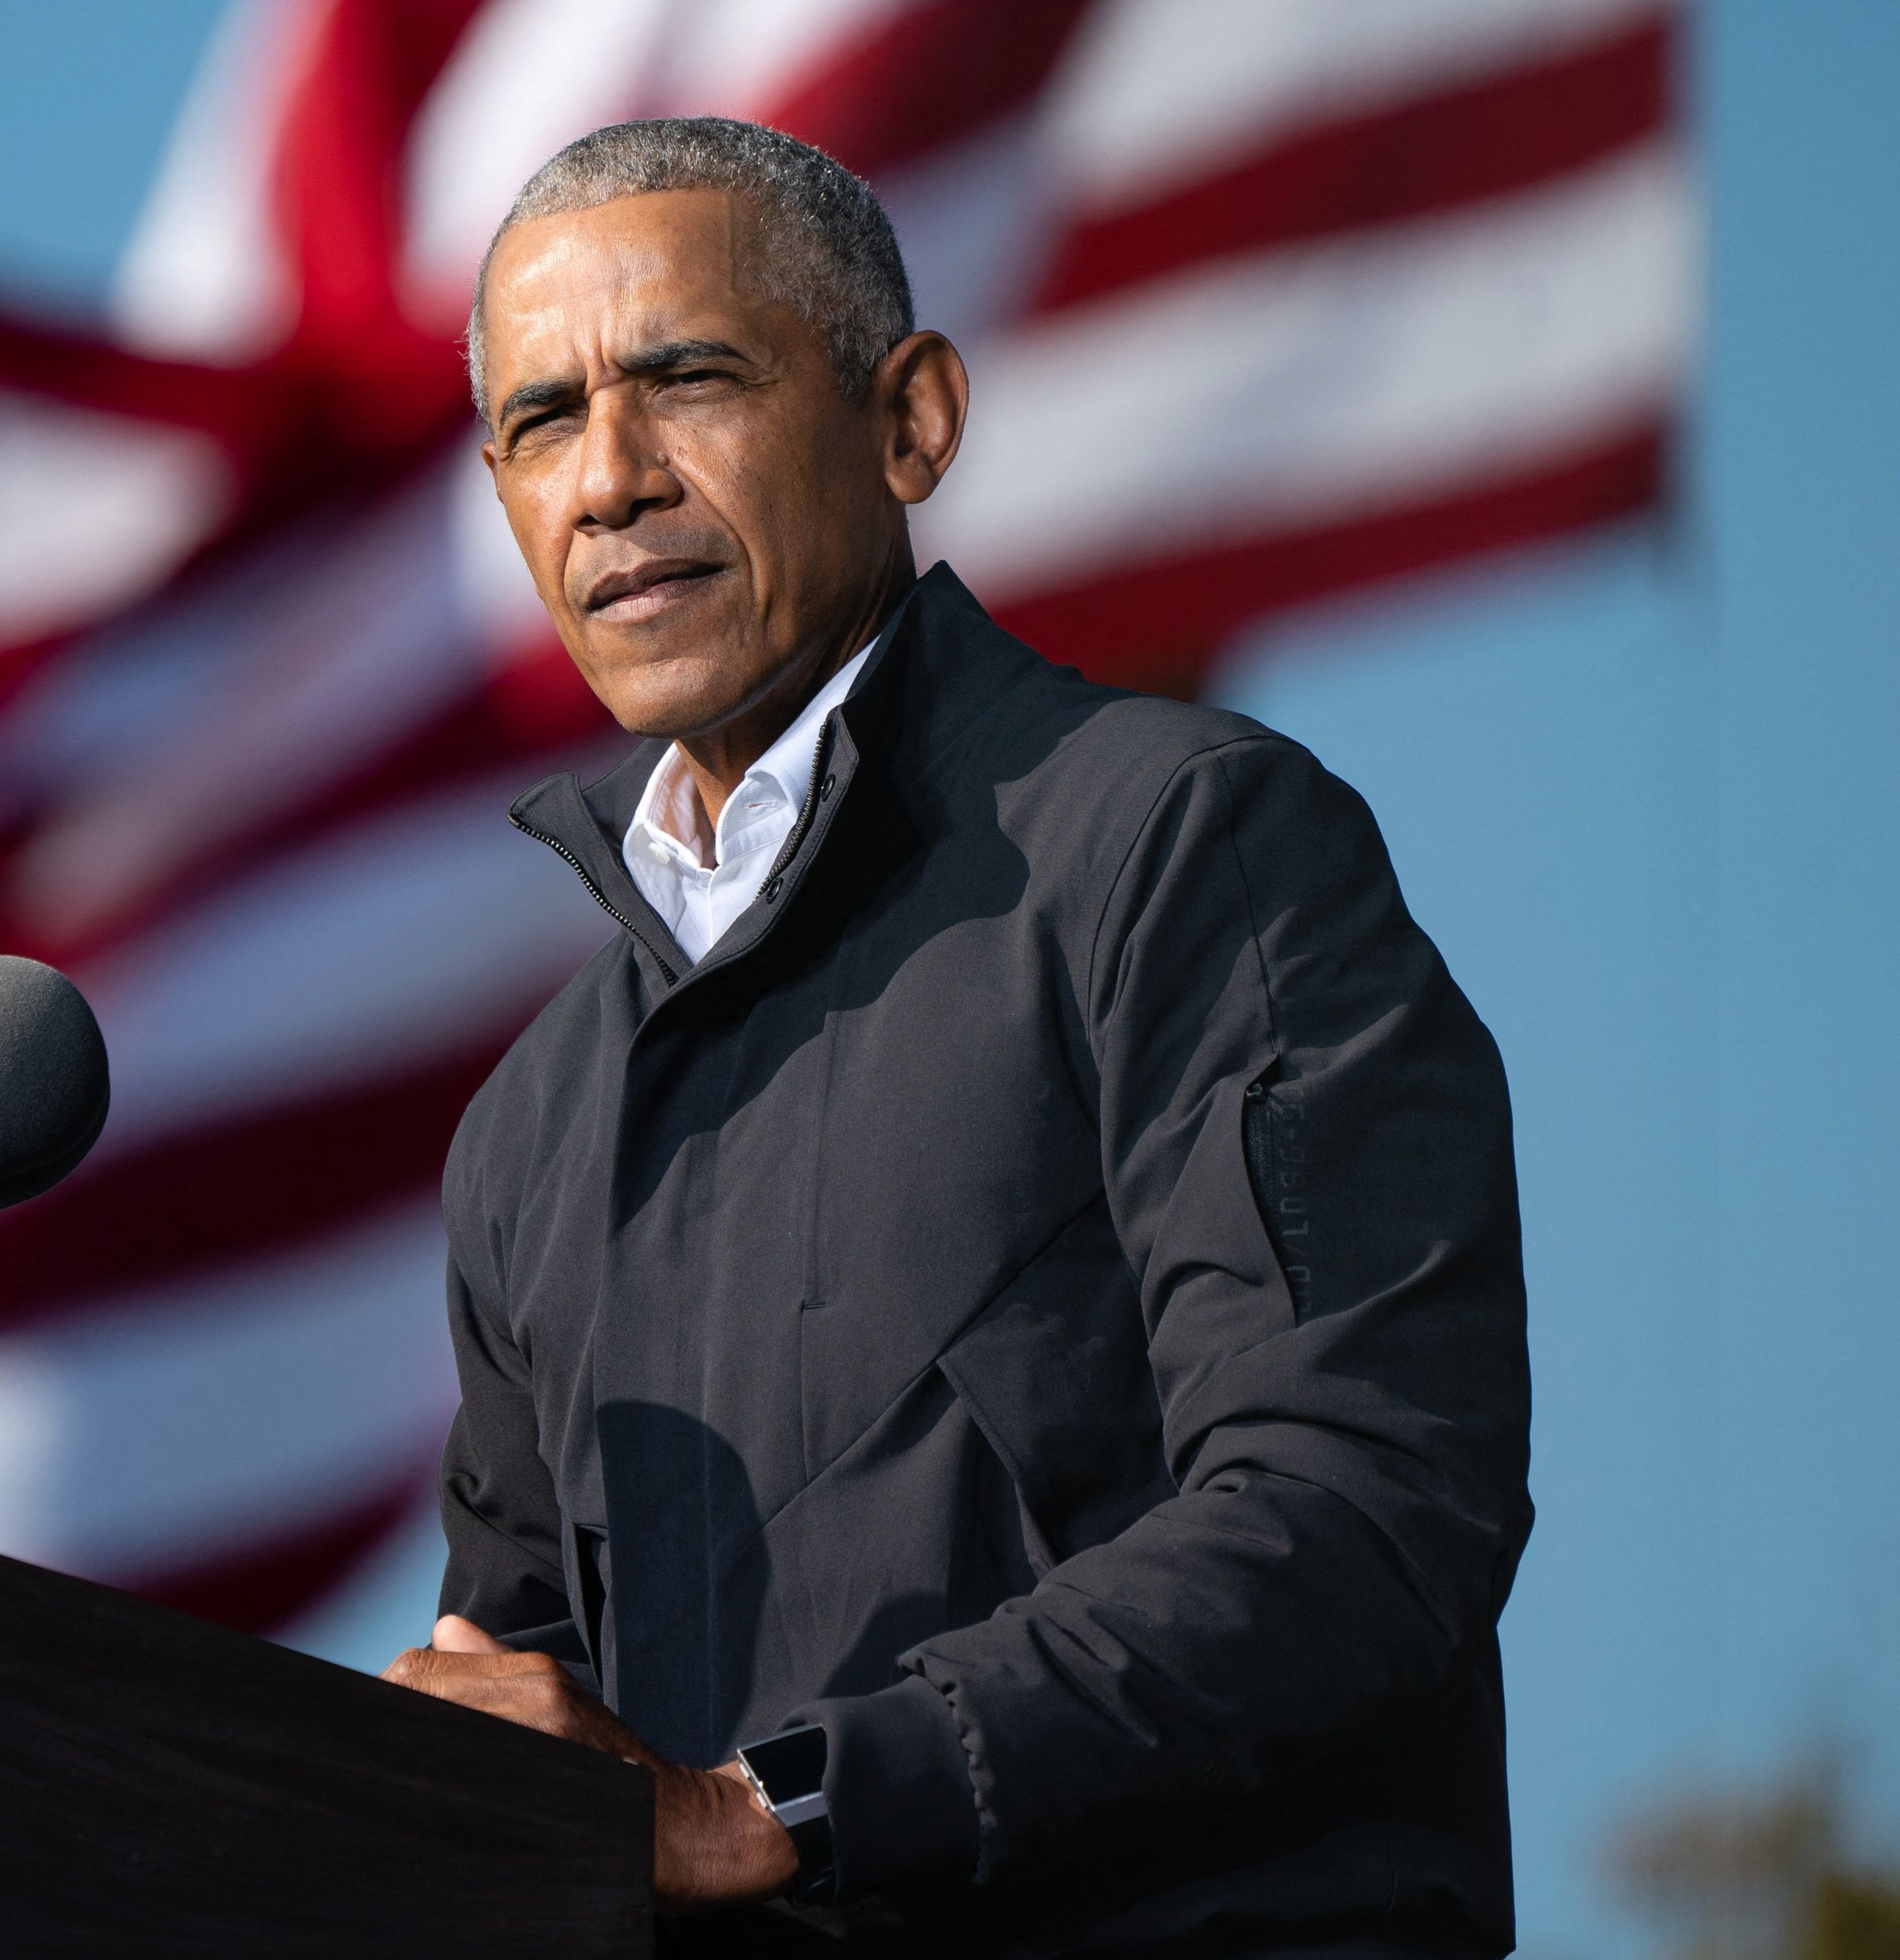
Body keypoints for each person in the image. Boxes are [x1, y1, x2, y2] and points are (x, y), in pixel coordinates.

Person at [383, 117, 1531, 1958]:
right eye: (538, 421)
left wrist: (778, 1808)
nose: (606, 478)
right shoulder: (528, 1130)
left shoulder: (1183, 839)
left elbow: (1362, 1505)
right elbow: (522, 1779)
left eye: (684, 377)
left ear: (909, 419)